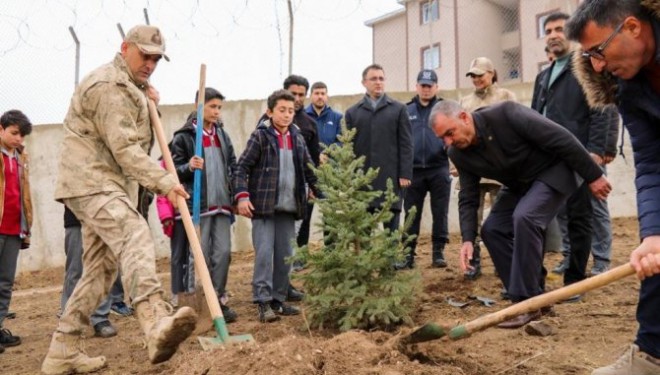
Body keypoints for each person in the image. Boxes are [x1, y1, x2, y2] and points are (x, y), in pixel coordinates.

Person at [42, 25, 196, 374]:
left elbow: (134, 143)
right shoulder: (109, 86)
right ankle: (155, 321)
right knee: (133, 232)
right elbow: (125, 149)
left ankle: (62, 350)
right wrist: (165, 182)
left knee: (101, 269)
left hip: (106, 182)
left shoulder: (131, 87)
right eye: (145, 56)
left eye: (156, 59)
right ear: (125, 47)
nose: (150, 64)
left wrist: (146, 99)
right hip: (92, 180)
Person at [429, 100, 610, 329]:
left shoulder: (506, 114)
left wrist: (593, 175)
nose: (448, 142)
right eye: (442, 138)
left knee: (525, 217)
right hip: (519, 184)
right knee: (492, 229)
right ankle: (536, 296)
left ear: (464, 117)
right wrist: (467, 239)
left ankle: (524, 303)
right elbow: (468, 196)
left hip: (555, 170)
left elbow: (562, 138)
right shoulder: (458, 153)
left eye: (449, 133)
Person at [567, 1, 660, 373]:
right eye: (589, 56)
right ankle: (650, 358)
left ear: (633, 28)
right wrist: (652, 235)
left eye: (598, 52)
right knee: (653, 259)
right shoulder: (629, 86)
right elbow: (653, 162)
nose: (598, 66)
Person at [531, 12, 616, 299]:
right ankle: (570, 262)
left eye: (559, 29)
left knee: (583, 215)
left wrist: (596, 151)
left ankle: (577, 281)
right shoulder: (544, 75)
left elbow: (603, 109)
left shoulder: (588, 67)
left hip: (580, 153)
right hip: (551, 157)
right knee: (564, 213)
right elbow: (535, 117)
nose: (554, 34)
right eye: (549, 30)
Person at [233, 89, 319, 323]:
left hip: (289, 208)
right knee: (264, 255)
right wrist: (242, 196)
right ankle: (262, 301)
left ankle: (278, 300)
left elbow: (310, 170)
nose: (287, 115)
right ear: (270, 112)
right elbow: (241, 168)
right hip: (263, 208)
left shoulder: (297, 137)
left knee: (285, 255)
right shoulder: (260, 136)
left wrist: (324, 194)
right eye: (282, 110)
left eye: (291, 111)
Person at [170, 87, 238, 322]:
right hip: (199, 206)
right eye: (212, 106)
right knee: (199, 257)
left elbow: (233, 165)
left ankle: (218, 301)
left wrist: (235, 195)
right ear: (199, 105)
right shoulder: (184, 137)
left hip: (222, 206)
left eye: (219, 107)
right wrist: (188, 166)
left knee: (223, 254)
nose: (217, 111)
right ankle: (196, 304)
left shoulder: (222, 135)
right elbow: (172, 173)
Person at [458, 57, 517, 280]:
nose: (476, 79)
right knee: (473, 218)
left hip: (500, 171)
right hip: (474, 171)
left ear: (492, 74)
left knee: (502, 221)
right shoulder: (465, 101)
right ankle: (473, 262)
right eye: (472, 75)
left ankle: (505, 263)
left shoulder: (505, 97)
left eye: (480, 74)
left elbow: (513, 131)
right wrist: (456, 165)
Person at [345, 64, 413, 232]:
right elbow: (348, 148)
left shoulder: (399, 109)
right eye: (373, 79)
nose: (378, 82)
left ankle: (392, 259)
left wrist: (405, 174)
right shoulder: (353, 113)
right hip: (363, 180)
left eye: (381, 78)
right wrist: (349, 178)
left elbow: (406, 144)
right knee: (364, 229)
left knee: (392, 225)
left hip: (390, 178)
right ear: (364, 83)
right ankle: (366, 259)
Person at [396, 69, 450, 270]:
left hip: (439, 168)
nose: (426, 89)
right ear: (416, 86)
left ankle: (438, 253)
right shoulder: (406, 110)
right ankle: (408, 255)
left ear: (436, 87)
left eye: (430, 85)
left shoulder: (444, 108)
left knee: (440, 212)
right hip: (413, 171)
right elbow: (400, 140)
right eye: (423, 85)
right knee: (411, 213)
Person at [0, 109, 32, 355]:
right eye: (14, 133)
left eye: (21, 135)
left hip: (13, 229)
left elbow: (24, 195)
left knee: (5, 283)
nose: (18, 139)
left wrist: (26, 227)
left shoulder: (21, 158)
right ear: (1, 129)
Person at [60, 208, 117, 339]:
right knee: (75, 270)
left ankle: (100, 318)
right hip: (75, 219)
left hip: (102, 217)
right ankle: (69, 320)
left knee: (103, 269)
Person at [305, 81, 343, 151]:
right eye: (316, 93)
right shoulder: (303, 116)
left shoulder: (337, 117)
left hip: (330, 160)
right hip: (308, 161)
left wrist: (327, 153)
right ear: (310, 96)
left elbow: (341, 141)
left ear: (327, 96)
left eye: (323, 94)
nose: (320, 96)